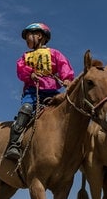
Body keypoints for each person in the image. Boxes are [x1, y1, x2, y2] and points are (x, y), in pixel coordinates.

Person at [4, 22, 75, 161]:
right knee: (25, 109)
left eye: (29, 35)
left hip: (52, 91)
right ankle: (14, 144)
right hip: (32, 91)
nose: (27, 40)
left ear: (40, 35)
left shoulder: (55, 53)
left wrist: (67, 79)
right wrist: (30, 74)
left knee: (68, 110)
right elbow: (20, 69)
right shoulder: (25, 56)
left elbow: (64, 66)